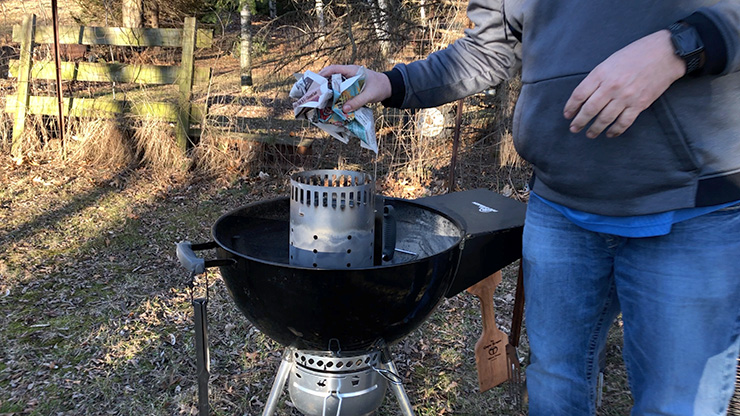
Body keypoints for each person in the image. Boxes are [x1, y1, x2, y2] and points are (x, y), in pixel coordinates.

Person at [318, 1, 740, 415]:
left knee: (677, 404)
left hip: (693, 210)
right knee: (554, 383)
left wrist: (677, 48)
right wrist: (391, 82)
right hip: (561, 209)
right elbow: (486, 53)